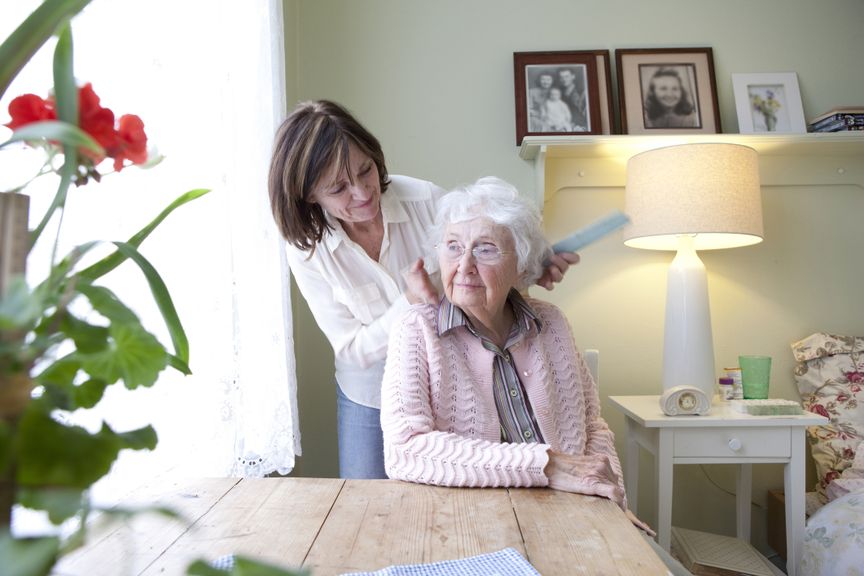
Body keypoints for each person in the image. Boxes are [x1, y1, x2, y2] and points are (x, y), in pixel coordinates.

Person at [267, 101, 579, 479]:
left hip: (447, 378)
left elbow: (481, 265)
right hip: (369, 393)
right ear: (309, 196)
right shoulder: (307, 250)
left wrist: (530, 270)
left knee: (452, 490)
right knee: (369, 509)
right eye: (338, 188)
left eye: (365, 170)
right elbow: (351, 349)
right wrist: (410, 302)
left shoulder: (426, 199)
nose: (363, 192)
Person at [380, 176, 652, 534]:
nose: (464, 266)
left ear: (522, 266)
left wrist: (611, 502)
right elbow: (405, 450)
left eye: (486, 249)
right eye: (452, 246)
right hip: (468, 524)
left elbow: (592, 429)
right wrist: (547, 465)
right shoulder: (417, 330)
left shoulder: (551, 323)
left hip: (570, 518)